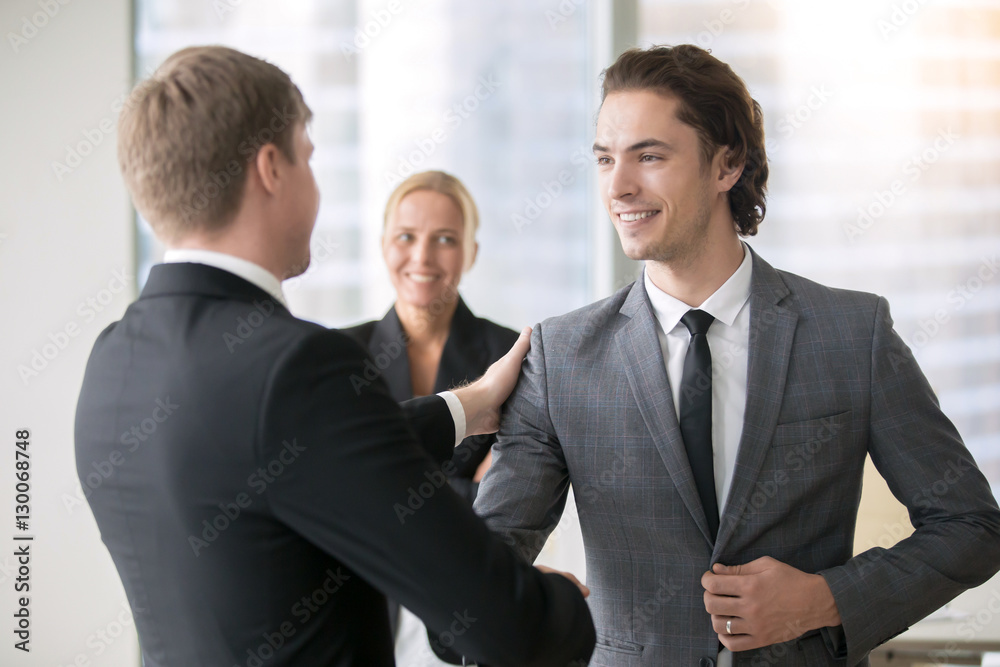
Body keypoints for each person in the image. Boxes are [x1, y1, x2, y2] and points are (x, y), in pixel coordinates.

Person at [473, 44, 1000, 667]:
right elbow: (478, 568)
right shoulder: (561, 358)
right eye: (606, 159)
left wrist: (826, 598)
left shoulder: (852, 334)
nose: (619, 186)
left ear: (727, 166)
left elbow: (971, 527)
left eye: (649, 155)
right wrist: (518, 604)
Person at [74, 45, 595, 667]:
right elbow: (500, 625)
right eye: (309, 157)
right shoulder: (301, 367)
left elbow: (289, 457)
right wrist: (568, 608)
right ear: (271, 168)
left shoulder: (111, 362)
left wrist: (466, 406)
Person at [345, 171, 517, 666]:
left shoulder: (506, 357)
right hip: (361, 607)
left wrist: (387, 480)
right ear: (383, 245)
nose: (422, 257)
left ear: (471, 253)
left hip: (471, 605)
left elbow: (514, 497)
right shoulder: (339, 356)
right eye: (406, 237)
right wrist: (465, 487)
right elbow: (337, 491)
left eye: (444, 239)